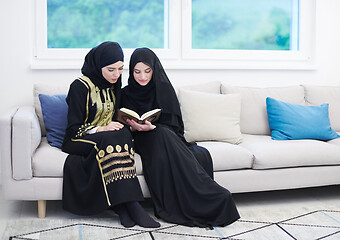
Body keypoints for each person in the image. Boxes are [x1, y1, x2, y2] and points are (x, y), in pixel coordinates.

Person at [121, 47, 240, 228]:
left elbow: (175, 125)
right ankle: (206, 194)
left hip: (163, 137)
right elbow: (120, 123)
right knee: (162, 135)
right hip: (140, 140)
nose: (142, 77)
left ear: (154, 69)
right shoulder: (124, 93)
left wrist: (153, 126)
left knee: (168, 136)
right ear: (131, 71)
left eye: (147, 71)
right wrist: (134, 127)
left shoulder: (164, 89)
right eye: (137, 72)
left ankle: (209, 195)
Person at [61, 42, 160, 228]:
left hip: (107, 137)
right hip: (78, 138)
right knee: (110, 138)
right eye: (111, 69)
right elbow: (74, 128)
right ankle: (130, 205)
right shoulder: (79, 87)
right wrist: (100, 129)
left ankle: (121, 205)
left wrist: (132, 124)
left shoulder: (114, 85)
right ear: (99, 66)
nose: (116, 75)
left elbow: (115, 117)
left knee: (121, 133)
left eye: (121, 69)